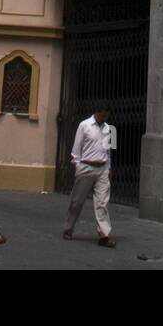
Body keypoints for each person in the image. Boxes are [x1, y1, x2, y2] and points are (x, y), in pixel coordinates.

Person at [62, 103, 115, 246]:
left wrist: (109, 168)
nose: (104, 118)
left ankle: (104, 235)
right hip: (86, 166)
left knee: (102, 203)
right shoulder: (84, 125)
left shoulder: (110, 129)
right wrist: (78, 165)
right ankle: (68, 229)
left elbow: (110, 151)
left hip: (102, 168)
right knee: (77, 202)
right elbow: (76, 150)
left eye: (107, 116)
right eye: (102, 115)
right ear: (96, 112)